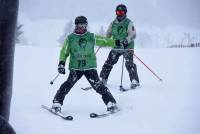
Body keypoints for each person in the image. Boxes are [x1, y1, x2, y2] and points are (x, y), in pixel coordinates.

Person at [51, 16, 118, 113]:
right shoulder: (71, 38)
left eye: (83, 25)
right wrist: (61, 63)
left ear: (86, 25)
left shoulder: (91, 36)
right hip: (76, 67)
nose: (81, 27)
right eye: (79, 25)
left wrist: (116, 42)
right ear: (76, 26)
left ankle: (111, 103)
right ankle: (57, 103)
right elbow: (64, 51)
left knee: (98, 85)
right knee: (68, 84)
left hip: (89, 67)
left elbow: (104, 41)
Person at [100, 4, 140, 89]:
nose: (119, 14)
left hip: (127, 47)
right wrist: (104, 41)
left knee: (129, 63)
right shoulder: (113, 23)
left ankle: (134, 81)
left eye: (121, 12)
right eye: (118, 12)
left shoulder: (128, 22)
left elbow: (133, 34)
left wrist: (127, 40)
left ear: (125, 13)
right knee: (109, 62)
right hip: (116, 46)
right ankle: (103, 79)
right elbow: (108, 34)